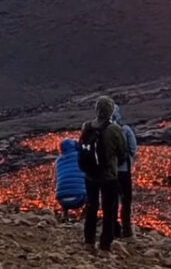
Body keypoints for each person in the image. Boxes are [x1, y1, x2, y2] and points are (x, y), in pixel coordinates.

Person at [79, 96, 127, 252]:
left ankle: (89, 241)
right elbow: (122, 152)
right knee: (109, 210)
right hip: (108, 176)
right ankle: (105, 245)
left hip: (90, 175)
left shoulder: (86, 126)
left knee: (92, 207)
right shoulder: (114, 129)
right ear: (111, 111)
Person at [112, 104, 138, 238]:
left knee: (112, 201)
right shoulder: (125, 129)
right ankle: (127, 230)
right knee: (126, 201)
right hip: (124, 171)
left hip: (109, 172)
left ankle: (113, 229)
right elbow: (133, 149)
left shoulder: (102, 131)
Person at [55, 139, 87, 221]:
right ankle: (83, 218)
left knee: (65, 187)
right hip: (79, 198)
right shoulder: (82, 156)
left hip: (61, 200)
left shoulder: (58, 161)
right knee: (94, 192)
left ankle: (64, 215)